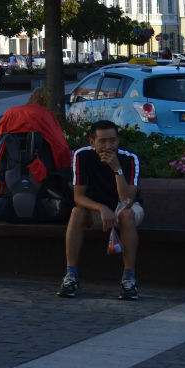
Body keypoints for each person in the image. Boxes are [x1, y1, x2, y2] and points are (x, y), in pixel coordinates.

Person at [57, 119, 142, 301]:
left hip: (127, 207)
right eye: (102, 141)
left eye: (112, 140)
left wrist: (117, 169)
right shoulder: (82, 156)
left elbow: (127, 199)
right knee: (77, 212)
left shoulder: (129, 158)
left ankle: (129, 279)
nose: (107, 146)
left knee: (127, 215)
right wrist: (101, 208)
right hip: (97, 208)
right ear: (92, 141)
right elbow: (78, 197)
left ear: (118, 140)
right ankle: (71, 275)